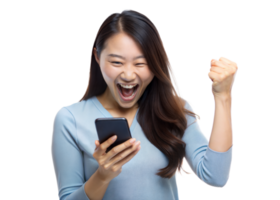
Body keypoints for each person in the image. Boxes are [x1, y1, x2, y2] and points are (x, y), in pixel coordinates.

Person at [51, 8, 233, 200]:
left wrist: (223, 97)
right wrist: (102, 176)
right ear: (97, 57)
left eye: (141, 63)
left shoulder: (174, 111)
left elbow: (216, 176)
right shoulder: (69, 119)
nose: (128, 75)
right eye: (116, 62)